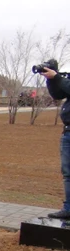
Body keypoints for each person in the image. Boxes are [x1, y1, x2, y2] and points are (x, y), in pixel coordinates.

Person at [42, 65, 70, 219]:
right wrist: (51, 80)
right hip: (68, 131)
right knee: (68, 173)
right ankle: (69, 209)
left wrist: (58, 78)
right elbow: (58, 94)